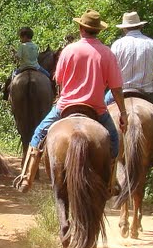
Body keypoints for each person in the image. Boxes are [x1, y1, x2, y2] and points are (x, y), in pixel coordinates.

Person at [14, 10, 128, 192]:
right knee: (114, 139)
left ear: (81, 28)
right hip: (97, 109)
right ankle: (111, 181)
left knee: (38, 133)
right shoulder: (107, 53)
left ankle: (27, 177)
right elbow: (115, 88)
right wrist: (122, 113)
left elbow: (59, 80)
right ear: (98, 30)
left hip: (66, 106)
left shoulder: (68, 50)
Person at [106, 12, 153, 106]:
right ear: (140, 26)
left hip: (121, 91)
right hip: (148, 92)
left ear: (124, 28)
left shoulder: (117, 45)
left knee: (102, 113)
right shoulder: (152, 44)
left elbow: (109, 70)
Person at [2, 26, 51, 99]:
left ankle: (6, 95)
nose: (20, 39)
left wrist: (14, 54)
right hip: (36, 67)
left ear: (24, 36)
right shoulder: (35, 46)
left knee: (11, 79)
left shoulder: (22, 46)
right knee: (48, 75)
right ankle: (54, 93)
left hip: (23, 67)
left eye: (21, 37)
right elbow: (36, 56)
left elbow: (18, 57)